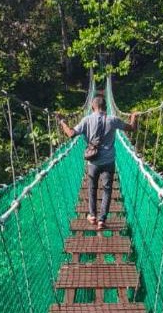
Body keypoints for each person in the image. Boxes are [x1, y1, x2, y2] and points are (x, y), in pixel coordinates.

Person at [59, 94, 138, 229]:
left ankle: (92, 215)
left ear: (92, 107)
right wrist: (134, 117)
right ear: (106, 107)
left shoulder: (86, 120)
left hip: (93, 162)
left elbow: (71, 134)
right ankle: (102, 220)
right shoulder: (113, 119)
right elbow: (131, 128)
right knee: (107, 190)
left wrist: (62, 122)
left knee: (92, 188)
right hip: (109, 161)